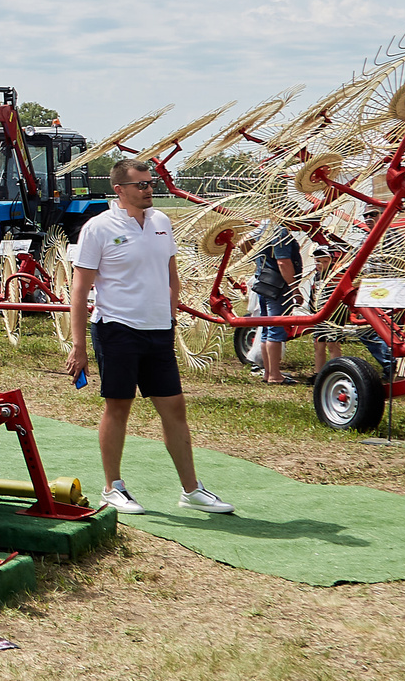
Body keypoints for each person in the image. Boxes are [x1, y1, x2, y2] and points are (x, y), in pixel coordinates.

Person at [65, 158, 235, 515]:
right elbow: (79, 291)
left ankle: (191, 490)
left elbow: (171, 275)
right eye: (141, 184)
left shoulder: (161, 221)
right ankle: (113, 487)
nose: (148, 189)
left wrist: (169, 316)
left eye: (150, 183)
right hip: (116, 330)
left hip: (158, 331)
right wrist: (78, 346)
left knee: (174, 408)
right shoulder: (98, 228)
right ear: (120, 190)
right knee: (118, 407)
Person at [248, 223, 304, 385]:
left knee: (266, 329)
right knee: (276, 329)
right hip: (278, 288)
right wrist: (295, 289)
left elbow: (244, 242)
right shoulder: (281, 232)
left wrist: (261, 265)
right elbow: (283, 263)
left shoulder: (265, 228)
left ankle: (268, 372)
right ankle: (275, 375)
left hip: (264, 283)